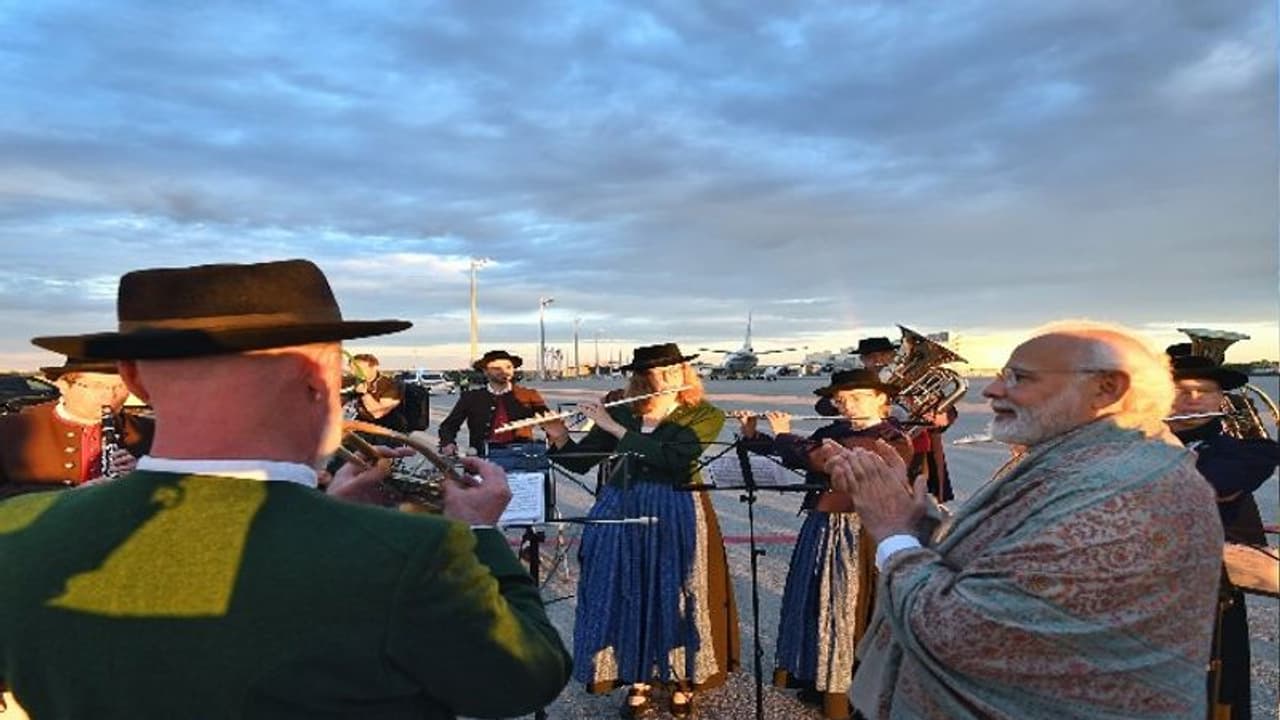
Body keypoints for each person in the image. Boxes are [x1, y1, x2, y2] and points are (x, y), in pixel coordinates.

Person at [0, 259, 570, 719]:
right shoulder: (412, 556)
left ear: (131, 377)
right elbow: (524, 678)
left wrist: (331, 515)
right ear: (321, 379)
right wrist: (477, 531)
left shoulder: (17, 531)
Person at [825, 322, 1223, 720]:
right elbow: (1006, 553)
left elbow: (960, 633)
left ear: (1107, 389)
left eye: (1019, 378)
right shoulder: (1089, 461)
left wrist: (894, 534)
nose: (991, 390)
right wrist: (918, 521)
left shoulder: (1122, 492)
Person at [542, 343, 738, 718]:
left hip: (676, 505)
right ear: (641, 379)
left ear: (685, 372)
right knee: (623, 589)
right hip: (621, 502)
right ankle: (637, 677)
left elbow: (673, 460)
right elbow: (583, 462)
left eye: (673, 371)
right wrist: (559, 436)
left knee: (675, 592)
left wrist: (612, 427)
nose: (666, 379)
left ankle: (681, 678)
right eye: (655, 374)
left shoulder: (704, 414)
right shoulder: (625, 410)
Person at [734, 369, 912, 719]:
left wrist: (785, 435)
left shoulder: (892, 437)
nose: (848, 405)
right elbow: (793, 453)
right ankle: (823, 677)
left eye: (857, 397)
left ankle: (852, 690)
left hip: (860, 531)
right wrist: (754, 435)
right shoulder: (831, 432)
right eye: (841, 400)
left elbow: (827, 459)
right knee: (818, 604)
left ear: (881, 399)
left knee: (849, 608)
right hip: (822, 525)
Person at [1167, 352, 1279, 720]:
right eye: (1180, 391)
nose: (1193, 400)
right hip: (1133, 589)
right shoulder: (1126, 445)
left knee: (1208, 690)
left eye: (1204, 391)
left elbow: (1215, 484)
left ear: (1221, 400)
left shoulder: (1248, 452)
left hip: (1206, 596)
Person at [0, 356, 153, 498]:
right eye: (96, 386)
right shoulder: (10, 429)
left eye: (120, 386)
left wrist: (143, 477)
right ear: (64, 386)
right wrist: (72, 496)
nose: (110, 396)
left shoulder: (150, 431)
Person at [438, 349, 549, 456]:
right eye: (497, 368)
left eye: (508, 367)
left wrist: (554, 438)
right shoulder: (471, 397)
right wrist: (448, 443)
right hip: (483, 459)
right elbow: (448, 426)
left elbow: (550, 423)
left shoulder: (529, 395)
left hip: (522, 459)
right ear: (485, 371)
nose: (504, 372)